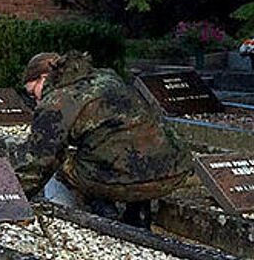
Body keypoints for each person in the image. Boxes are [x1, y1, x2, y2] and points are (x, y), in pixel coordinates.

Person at [13, 50, 194, 226]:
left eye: (32, 93)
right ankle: (136, 214)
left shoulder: (57, 102)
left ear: (44, 78)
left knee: (59, 166)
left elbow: (39, 165)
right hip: (174, 169)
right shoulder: (107, 77)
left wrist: (9, 198)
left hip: (126, 180)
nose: (35, 100)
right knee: (122, 145)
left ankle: (69, 220)